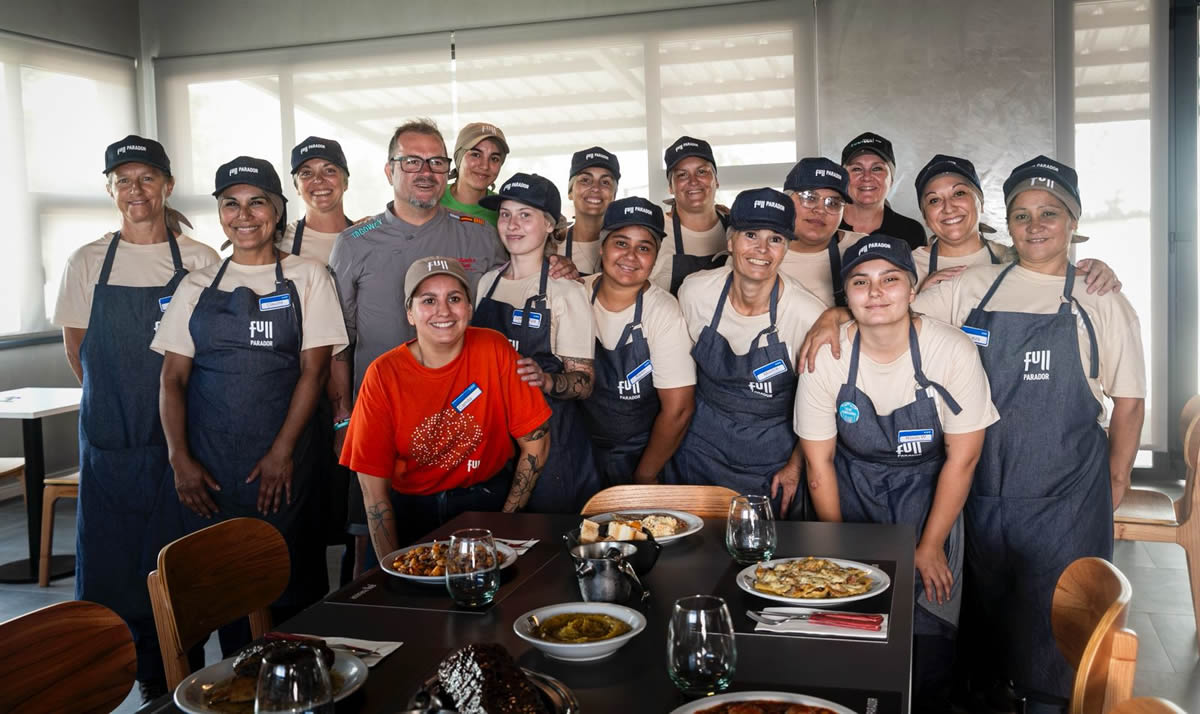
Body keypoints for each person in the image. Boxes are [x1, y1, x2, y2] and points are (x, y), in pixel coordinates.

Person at [911, 156, 1146, 713]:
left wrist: (1114, 484)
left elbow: (1130, 403)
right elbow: (888, 321)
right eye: (1021, 215)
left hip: (1066, 497)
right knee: (986, 626)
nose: (1035, 225)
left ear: (1073, 222)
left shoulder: (1099, 296)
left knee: (1058, 632)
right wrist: (833, 316)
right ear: (1007, 225)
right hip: (981, 489)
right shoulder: (971, 284)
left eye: (1050, 213)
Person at [794, 235, 998, 713]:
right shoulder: (826, 354)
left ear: (911, 288)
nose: (877, 292)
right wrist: (838, 548)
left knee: (928, 638)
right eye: (861, 282)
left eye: (891, 279)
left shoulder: (951, 351)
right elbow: (820, 465)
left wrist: (930, 546)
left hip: (929, 498)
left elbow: (963, 458)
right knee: (847, 629)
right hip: (851, 493)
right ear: (846, 295)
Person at [153, 156, 348, 654]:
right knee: (222, 588)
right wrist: (180, 461)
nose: (244, 215)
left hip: (285, 463)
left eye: (257, 202)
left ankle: (297, 687)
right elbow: (173, 379)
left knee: (290, 588)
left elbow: (314, 370)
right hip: (209, 469)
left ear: (278, 211)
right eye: (230, 204)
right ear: (220, 213)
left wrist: (282, 452)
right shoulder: (196, 287)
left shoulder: (308, 276)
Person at [51, 135, 219, 700]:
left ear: (167, 185)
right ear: (110, 189)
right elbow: (79, 351)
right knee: (112, 569)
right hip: (110, 446)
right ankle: (121, 676)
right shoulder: (87, 261)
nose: (135, 190)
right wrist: (115, 410)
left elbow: (213, 352)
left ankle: (180, 677)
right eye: (123, 180)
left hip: (182, 446)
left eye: (146, 178)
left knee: (179, 567)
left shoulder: (198, 259)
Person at [328, 118, 510, 572]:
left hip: (462, 422)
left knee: (469, 556)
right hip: (382, 419)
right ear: (390, 170)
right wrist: (342, 418)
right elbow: (339, 343)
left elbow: (516, 283)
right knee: (374, 554)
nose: (425, 171)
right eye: (411, 161)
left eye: (435, 161)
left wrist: (558, 264)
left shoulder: (477, 233)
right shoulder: (354, 242)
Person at [342, 257, 551, 556]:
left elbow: (537, 445)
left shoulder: (495, 349)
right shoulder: (383, 374)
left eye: (454, 298)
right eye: (429, 300)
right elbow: (374, 494)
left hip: (484, 501)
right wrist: (393, 566)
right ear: (410, 314)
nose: (443, 311)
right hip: (411, 509)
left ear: (468, 308)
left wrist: (505, 526)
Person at [666, 187, 827, 516]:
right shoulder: (696, 293)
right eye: (750, 235)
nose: (762, 250)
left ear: (786, 248)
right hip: (699, 454)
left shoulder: (807, 314)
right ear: (730, 241)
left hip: (772, 463)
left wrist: (796, 467)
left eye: (776, 239)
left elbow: (820, 408)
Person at [473, 173, 603, 512]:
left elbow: (584, 383)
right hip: (496, 437)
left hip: (553, 440)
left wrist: (546, 380)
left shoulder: (566, 290)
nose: (512, 225)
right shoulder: (487, 282)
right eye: (505, 214)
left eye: (525, 215)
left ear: (549, 225)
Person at [580, 197, 696, 486]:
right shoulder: (573, 295)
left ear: (655, 258)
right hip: (576, 448)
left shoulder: (664, 313)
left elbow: (678, 409)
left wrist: (644, 476)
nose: (631, 256)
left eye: (644, 248)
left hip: (642, 451)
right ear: (602, 247)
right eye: (621, 243)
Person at [777, 157, 866, 307]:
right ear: (786, 200)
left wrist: (838, 314)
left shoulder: (861, 248)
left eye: (833, 203)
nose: (820, 210)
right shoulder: (757, 251)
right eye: (809, 197)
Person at [911, 154, 1008, 288]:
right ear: (926, 218)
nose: (948, 208)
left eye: (959, 193)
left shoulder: (1012, 260)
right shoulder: (907, 268)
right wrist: (921, 300)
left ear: (981, 203)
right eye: (934, 200)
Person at [649, 136, 730, 295]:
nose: (693, 181)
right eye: (682, 175)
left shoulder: (737, 230)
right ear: (671, 187)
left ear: (716, 180)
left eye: (702, 171)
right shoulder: (654, 232)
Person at [838, 132, 927, 249]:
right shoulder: (824, 225)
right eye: (857, 169)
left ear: (891, 180)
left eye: (877, 168)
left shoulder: (911, 232)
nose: (867, 177)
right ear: (843, 178)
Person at [281, 136, 354, 264]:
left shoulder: (364, 231)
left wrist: (375, 223)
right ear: (297, 187)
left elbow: (383, 224)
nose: (318, 179)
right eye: (306, 173)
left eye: (329, 171)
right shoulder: (279, 240)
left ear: (345, 182)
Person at [555, 146, 620, 275]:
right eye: (585, 180)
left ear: (614, 196)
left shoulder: (625, 248)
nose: (595, 188)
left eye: (605, 182)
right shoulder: (552, 247)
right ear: (570, 192)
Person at [440, 122, 510, 225]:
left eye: (494, 158)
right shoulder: (433, 199)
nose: (485, 166)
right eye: (476, 155)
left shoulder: (504, 212)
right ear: (459, 157)